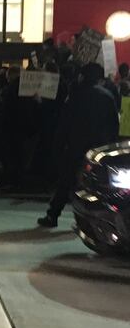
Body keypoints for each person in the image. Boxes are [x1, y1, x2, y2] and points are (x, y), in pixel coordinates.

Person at [38, 63, 119, 228]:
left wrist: (59, 145)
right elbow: (113, 124)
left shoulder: (76, 96)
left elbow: (65, 123)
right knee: (96, 186)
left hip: (77, 145)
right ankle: (91, 222)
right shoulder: (107, 96)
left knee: (66, 181)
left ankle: (53, 215)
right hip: (99, 148)